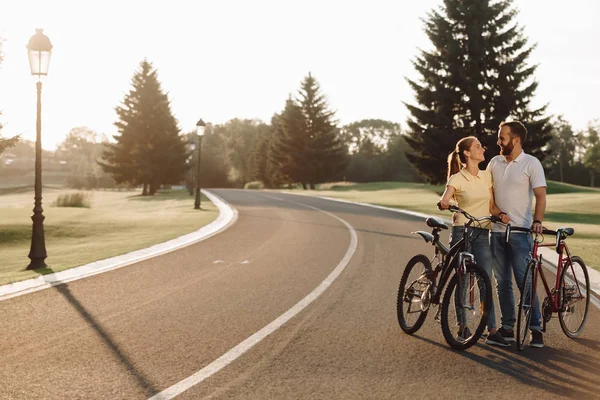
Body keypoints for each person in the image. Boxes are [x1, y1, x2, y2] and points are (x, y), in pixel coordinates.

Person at [439, 136, 511, 347]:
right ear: (467, 153)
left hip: (482, 232)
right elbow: (446, 197)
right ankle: (463, 326)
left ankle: (493, 330)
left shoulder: (486, 176)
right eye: (478, 146)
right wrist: (444, 203)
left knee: (484, 280)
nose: (483, 148)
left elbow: (491, 206)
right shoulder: (456, 178)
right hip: (462, 231)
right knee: (462, 280)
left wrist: (501, 215)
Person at [487, 120, 547, 348]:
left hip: (521, 234)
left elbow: (540, 196)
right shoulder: (494, 162)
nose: (498, 141)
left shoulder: (531, 163)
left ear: (516, 140)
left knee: (525, 282)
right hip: (497, 232)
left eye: (502, 137)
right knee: (502, 282)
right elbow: (489, 195)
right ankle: (508, 328)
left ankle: (536, 329)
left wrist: (538, 221)